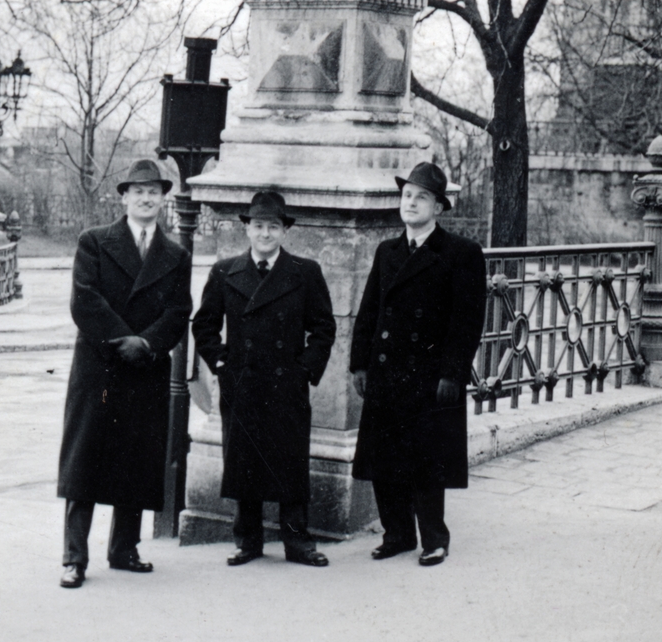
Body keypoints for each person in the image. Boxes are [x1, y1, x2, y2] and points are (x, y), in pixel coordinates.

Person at [56, 159, 193, 589]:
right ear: (124, 197)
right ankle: (74, 558)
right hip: (100, 368)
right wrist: (124, 340)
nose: (146, 198)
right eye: (138, 191)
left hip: (145, 367)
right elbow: (85, 301)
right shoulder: (94, 242)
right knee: (84, 463)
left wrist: (147, 344)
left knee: (135, 461)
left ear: (163, 198)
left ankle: (124, 550)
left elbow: (178, 311)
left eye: (154, 191)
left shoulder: (175, 255)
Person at [349, 162, 486, 566]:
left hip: (429, 375)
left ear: (439, 208)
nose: (410, 202)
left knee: (428, 461)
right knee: (384, 457)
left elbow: (467, 321)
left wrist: (452, 372)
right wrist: (360, 364)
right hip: (387, 370)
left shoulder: (461, 253)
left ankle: (434, 539)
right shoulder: (387, 250)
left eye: (421, 196)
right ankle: (397, 534)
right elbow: (369, 310)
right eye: (406, 195)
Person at [192, 190, 337, 567]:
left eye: (273, 226)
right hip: (242, 381)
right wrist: (222, 363)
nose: (265, 233)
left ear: (284, 231)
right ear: (248, 230)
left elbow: (323, 327)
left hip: (285, 382)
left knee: (290, 461)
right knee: (244, 460)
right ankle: (248, 540)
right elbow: (204, 324)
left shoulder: (305, 272)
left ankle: (297, 541)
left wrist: (304, 369)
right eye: (258, 225)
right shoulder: (224, 271)